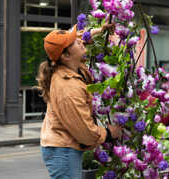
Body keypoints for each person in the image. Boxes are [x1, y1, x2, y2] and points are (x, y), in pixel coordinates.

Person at [36, 23, 122, 179]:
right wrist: (109, 133)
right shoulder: (68, 87)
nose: (81, 41)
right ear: (66, 56)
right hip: (63, 152)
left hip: (61, 148)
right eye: (75, 42)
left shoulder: (67, 65)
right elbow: (85, 131)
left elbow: (80, 37)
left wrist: (99, 30)